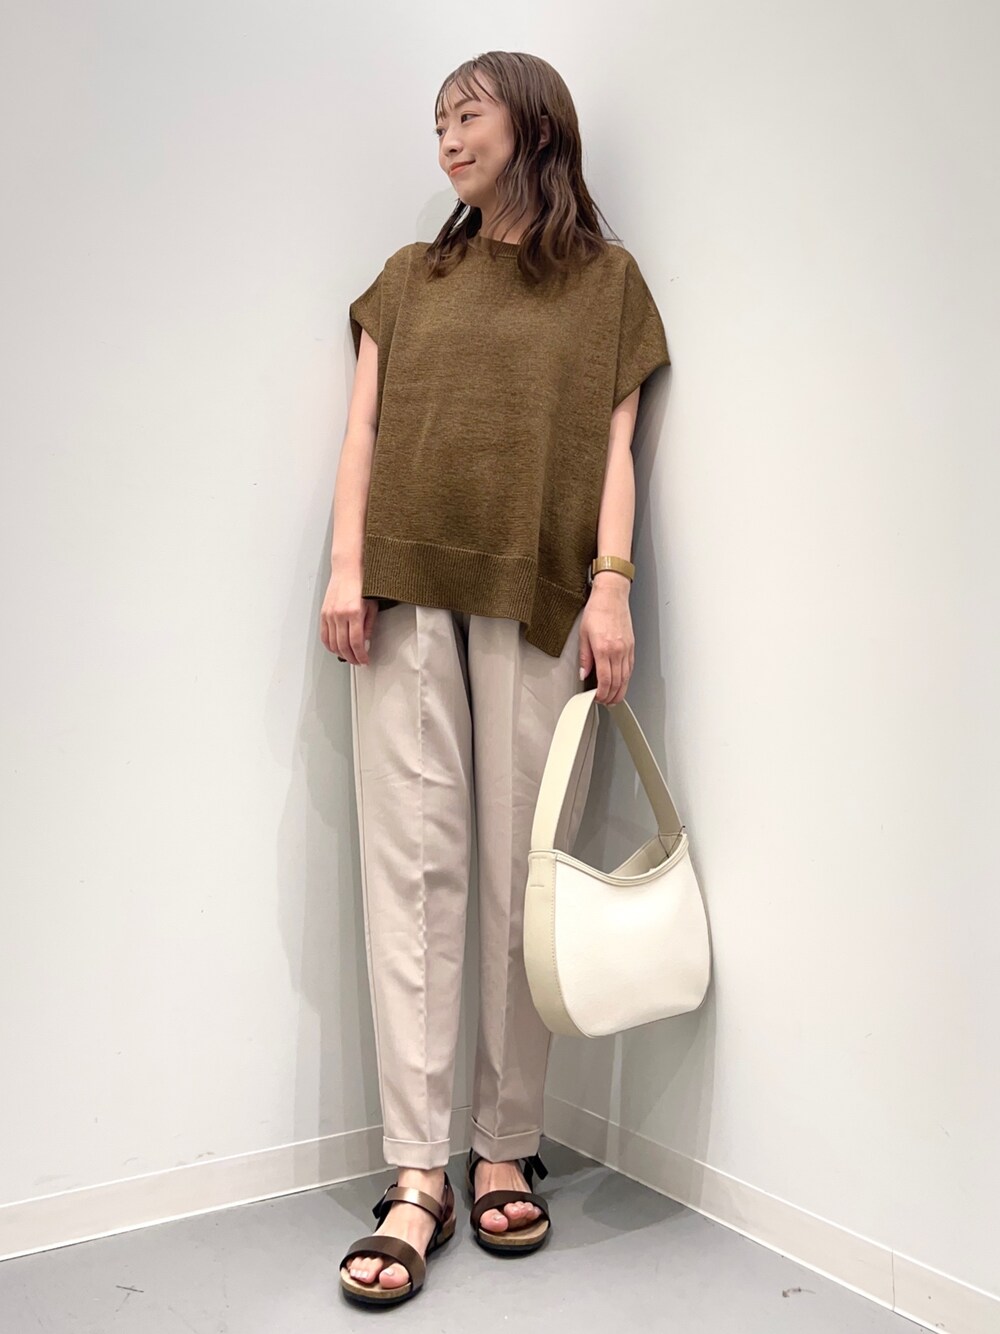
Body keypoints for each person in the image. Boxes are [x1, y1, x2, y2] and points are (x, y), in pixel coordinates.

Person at [320, 50, 670, 1307]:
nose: (447, 140)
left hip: (539, 596)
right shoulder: (408, 279)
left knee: (523, 878)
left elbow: (619, 444)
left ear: (533, 124)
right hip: (404, 588)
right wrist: (345, 565)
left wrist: (613, 582)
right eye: (437, 124)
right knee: (412, 876)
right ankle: (418, 1170)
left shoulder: (606, 285)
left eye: (465, 116)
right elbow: (362, 428)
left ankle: (505, 1142)